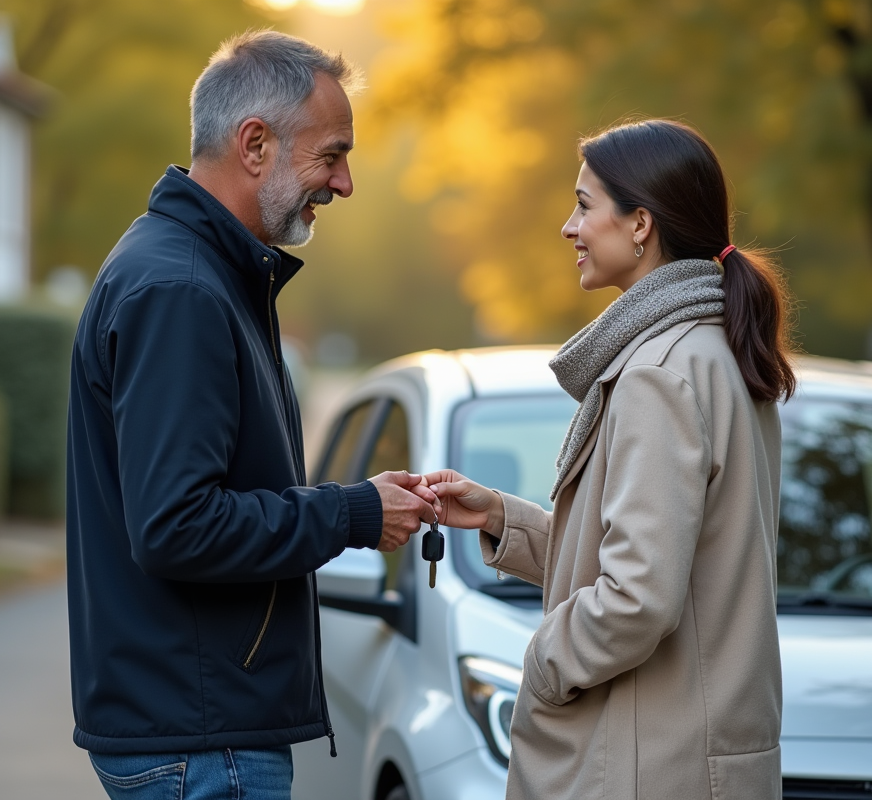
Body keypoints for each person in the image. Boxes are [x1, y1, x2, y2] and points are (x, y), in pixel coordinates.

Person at [65, 30, 437, 800]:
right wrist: (351, 514)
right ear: (256, 144)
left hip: (197, 728)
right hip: (204, 742)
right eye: (332, 155)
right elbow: (178, 525)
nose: (344, 184)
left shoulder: (203, 275)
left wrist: (358, 504)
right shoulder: (183, 291)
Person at [423, 119, 796, 800]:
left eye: (585, 205)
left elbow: (637, 598)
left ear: (640, 226)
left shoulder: (659, 372)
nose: (569, 227)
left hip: (644, 764)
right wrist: (504, 517)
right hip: (689, 758)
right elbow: (677, 563)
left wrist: (542, 660)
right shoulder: (718, 352)